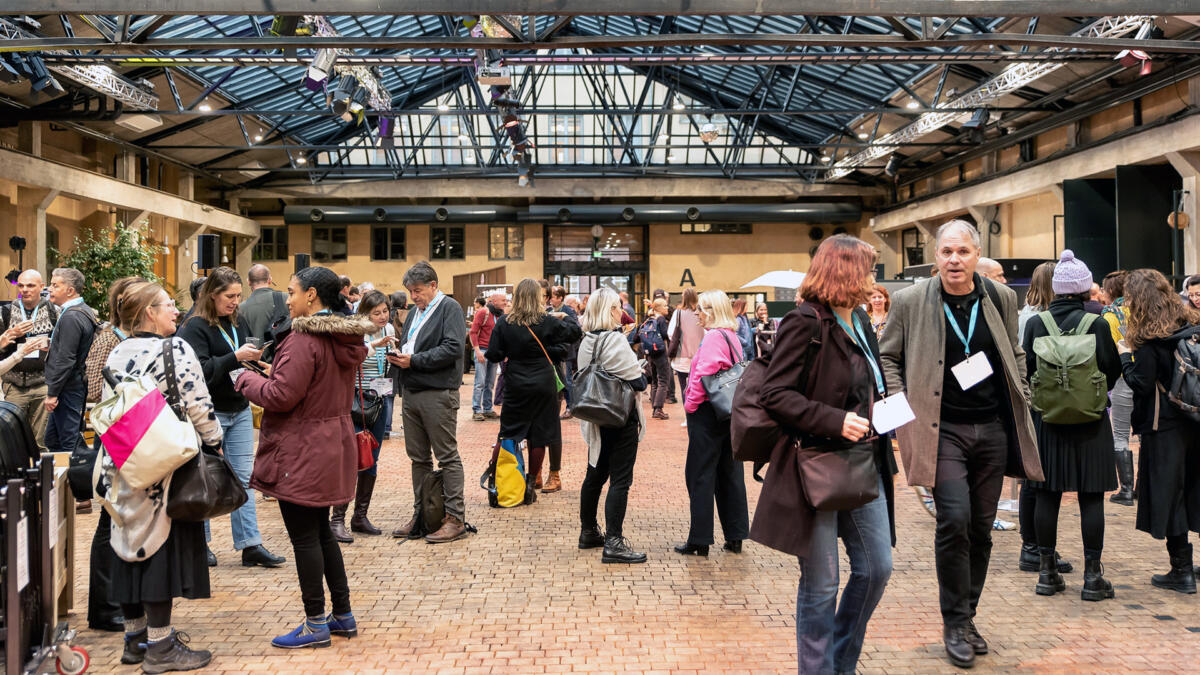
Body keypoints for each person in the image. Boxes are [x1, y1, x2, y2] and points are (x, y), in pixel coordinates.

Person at [879, 219, 1042, 669]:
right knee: (953, 518)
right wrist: (899, 402)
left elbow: (1015, 351)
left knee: (980, 528)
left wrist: (1023, 392)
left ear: (976, 255)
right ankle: (953, 621)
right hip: (940, 429)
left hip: (992, 429)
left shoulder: (1002, 297)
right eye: (947, 252)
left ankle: (968, 615)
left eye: (963, 252)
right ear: (937, 257)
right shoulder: (912, 300)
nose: (954, 260)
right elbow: (888, 355)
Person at [755, 234, 897, 675]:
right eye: (869, 269)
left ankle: (838, 662)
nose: (874, 279)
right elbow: (774, 394)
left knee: (877, 568)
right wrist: (834, 419)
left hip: (862, 464)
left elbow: (868, 386)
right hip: (814, 467)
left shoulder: (857, 320)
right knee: (821, 584)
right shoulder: (804, 321)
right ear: (846, 270)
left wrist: (888, 409)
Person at [235, 266, 371, 648]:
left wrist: (244, 379)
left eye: (292, 292)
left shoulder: (301, 338)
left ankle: (315, 623)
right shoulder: (342, 337)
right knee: (321, 532)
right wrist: (273, 372)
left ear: (311, 296)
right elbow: (308, 383)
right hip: (331, 441)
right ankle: (341, 614)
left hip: (303, 447)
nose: (288, 298)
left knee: (304, 537)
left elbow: (281, 397)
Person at [104, 281, 221, 672]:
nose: (176, 311)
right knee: (160, 548)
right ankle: (162, 648)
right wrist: (215, 442)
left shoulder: (118, 350)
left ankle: (134, 639)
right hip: (167, 465)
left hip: (123, 462)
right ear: (149, 313)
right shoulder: (175, 348)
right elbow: (197, 403)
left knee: (127, 545)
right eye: (169, 305)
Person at [1021, 251, 1119, 601]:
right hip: (1091, 422)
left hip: (1047, 421)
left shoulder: (1036, 323)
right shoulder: (1098, 324)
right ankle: (1093, 578)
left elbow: (1028, 368)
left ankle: (1047, 573)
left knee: (1048, 495)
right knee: (1091, 498)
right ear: (1082, 289)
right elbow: (1111, 369)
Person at [177, 267, 284, 571]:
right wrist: (235, 358)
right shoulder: (194, 326)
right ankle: (201, 544)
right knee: (205, 478)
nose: (236, 301)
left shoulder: (237, 320)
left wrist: (257, 364)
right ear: (212, 295)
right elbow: (199, 371)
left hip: (238, 409)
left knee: (244, 478)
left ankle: (251, 544)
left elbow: (236, 360)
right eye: (230, 296)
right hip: (208, 412)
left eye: (239, 295)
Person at [1118, 268, 1200, 594]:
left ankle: (1181, 570)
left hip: (1163, 425)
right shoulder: (1190, 324)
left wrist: (1125, 357)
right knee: (1193, 489)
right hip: (1195, 421)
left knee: (1170, 495)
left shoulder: (1150, 338)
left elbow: (1140, 383)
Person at [387, 262, 470, 543]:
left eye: (419, 291)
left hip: (438, 392)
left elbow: (453, 348)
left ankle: (455, 518)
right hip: (412, 391)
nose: (414, 297)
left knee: (447, 456)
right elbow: (412, 344)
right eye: (411, 291)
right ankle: (422, 515)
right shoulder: (413, 314)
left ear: (433, 285)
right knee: (418, 459)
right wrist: (399, 355)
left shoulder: (450, 308)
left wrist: (415, 361)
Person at [83, 276, 142, 634]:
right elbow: (92, 386)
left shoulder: (138, 340)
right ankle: (104, 608)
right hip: (113, 438)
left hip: (135, 439)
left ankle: (121, 602)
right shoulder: (108, 339)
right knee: (109, 522)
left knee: (125, 521)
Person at [485, 278, 581, 496]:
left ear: (517, 298)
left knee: (508, 433)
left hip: (516, 384)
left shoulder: (505, 323)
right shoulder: (548, 321)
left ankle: (496, 480)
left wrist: (509, 353)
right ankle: (530, 484)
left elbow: (493, 354)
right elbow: (575, 333)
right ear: (538, 298)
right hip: (544, 384)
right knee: (539, 435)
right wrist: (564, 316)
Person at [674, 290, 749, 557]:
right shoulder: (731, 335)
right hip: (728, 412)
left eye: (701, 310)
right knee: (730, 473)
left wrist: (689, 405)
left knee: (700, 475)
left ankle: (700, 538)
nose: (697, 314)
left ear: (711, 311)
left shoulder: (714, 337)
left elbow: (702, 376)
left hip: (707, 412)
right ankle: (736, 534)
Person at [576, 287, 648, 563]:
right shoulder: (615, 341)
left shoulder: (587, 340)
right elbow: (638, 382)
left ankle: (589, 531)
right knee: (620, 479)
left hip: (596, 416)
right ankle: (614, 542)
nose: (622, 311)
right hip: (620, 416)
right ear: (609, 311)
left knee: (595, 474)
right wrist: (638, 368)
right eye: (618, 306)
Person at [1014, 261, 1073, 576]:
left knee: (1034, 480)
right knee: (1036, 481)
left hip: (1033, 404)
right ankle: (1034, 548)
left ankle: (1035, 546)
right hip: (1039, 405)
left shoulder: (1026, 315)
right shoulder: (1038, 320)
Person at [331, 290, 396, 542]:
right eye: (376, 312)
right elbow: (346, 360)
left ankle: (360, 516)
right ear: (364, 313)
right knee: (351, 458)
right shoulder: (356, 331)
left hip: (379, 401)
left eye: (384, 311)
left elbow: (385, 365)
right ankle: (337, 519)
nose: (382, 316)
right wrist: (372, 346)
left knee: (371, 457)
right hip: (357, 401)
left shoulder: (388, 327)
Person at [0, 270, 58, 450]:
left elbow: (63, 345)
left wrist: (49, 343)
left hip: (43, 382)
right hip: (14, 383)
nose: (25, 289)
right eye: (21, 285)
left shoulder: (54, 311)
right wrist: (10, 335)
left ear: (42, 287)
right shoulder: (5, 312)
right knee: (12, 439)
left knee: (40, 442)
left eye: (31, 285)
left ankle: (42, 476)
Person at [43, 267, 97, 455]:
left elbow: (66, 358)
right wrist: (53, 344)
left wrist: (52, 393)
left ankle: (75, 481)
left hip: (68, 387)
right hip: (70, 385)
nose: (49, 289)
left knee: (69, 441)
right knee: (53, 439)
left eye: (55, 285)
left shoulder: (72, 316)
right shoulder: (81, 310)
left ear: (70, 290)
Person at [1100, 270, 1136, 506]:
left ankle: (1126, 490)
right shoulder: (1140, 312)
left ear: (1111, 291)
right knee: (1145, 436)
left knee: (1121, 435)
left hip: (1123, 379)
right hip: (1145, 378)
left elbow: (1110, 352)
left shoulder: (1109, 316)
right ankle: (1144, 487)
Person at [668, 288, 705, 428]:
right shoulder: (701, 313)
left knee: (684, 387)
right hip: (699, 357)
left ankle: (688, 418)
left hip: (682, 357)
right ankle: (699, 417)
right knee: (699, 387)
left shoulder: (678, 313)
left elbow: (671, 333)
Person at [633, 298, 672, 420]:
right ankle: (658, 409)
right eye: (665, 306)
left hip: (650, 353)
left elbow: (636, 337)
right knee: (663, 380)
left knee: (655, 380)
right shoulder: (660, 320)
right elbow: (665, 335)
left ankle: (655, 408)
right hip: (660, 352)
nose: (667, 308)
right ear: (659, 308)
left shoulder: (648, 319)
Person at [470, 291, 505, 421]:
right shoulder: (483, 313)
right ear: (494, 302)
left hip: (494, 352)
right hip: (483, 351)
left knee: (490, 383)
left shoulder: (501, 315)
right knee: (480, 382)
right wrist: (477, 351)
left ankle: (488, 408)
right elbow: (473, 332)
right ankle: (477, 410)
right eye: (503, 301)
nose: (506, 303)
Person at [550, 286, 579, 420]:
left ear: (560, 298)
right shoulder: (549, 311)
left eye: (553, 297)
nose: (550, 300)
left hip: (565, 352)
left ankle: (570, 407)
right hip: (553, 352)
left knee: (566, 380)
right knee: (557, 380)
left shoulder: (568, 311)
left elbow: (576, 329)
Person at [239, 264, 288, 341]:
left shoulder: (241, 308)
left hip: (254, 352)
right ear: (270, 280)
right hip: (284, 352)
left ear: (248, 282)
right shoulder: (287, 299)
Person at [731, 298, 755, 363]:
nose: (747, 307)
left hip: (748, 349)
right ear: (741, 306)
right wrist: (745, 342)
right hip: (743, 349)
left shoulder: (744, 318)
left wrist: (755, 329)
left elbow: (747, 331)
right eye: (746, 305)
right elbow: (735, 334)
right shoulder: (738, 319)